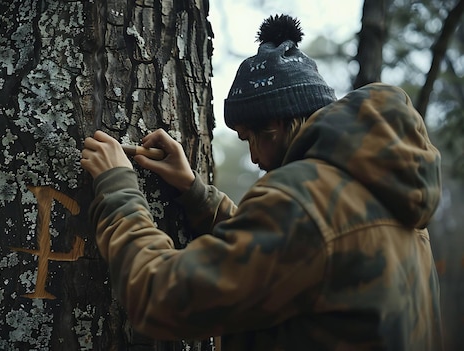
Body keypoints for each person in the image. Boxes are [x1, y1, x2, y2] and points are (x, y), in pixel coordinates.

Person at [80, 14, 443, 351]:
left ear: (284, 124)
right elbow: (297, 255)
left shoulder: (304, 202)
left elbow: (161, 297)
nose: (255, 157)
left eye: (256, 137)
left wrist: (119, 188)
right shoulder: (388, 190)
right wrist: (195, 192)